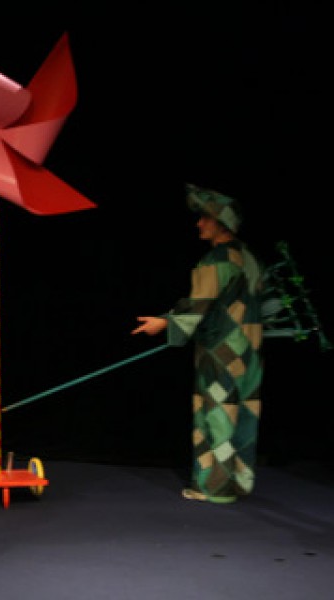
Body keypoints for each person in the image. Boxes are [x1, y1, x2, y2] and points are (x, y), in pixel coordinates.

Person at [132, 183, 264, 503]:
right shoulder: (249, 257)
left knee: (216, 413)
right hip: (251, 351)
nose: (199, 224)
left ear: (222, 222)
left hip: (222, 351)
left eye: (205, 218)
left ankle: (216, 489)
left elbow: (198, 305)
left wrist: (164, 322)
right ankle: (240, 482)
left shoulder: (216, 260)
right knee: (244, 412)